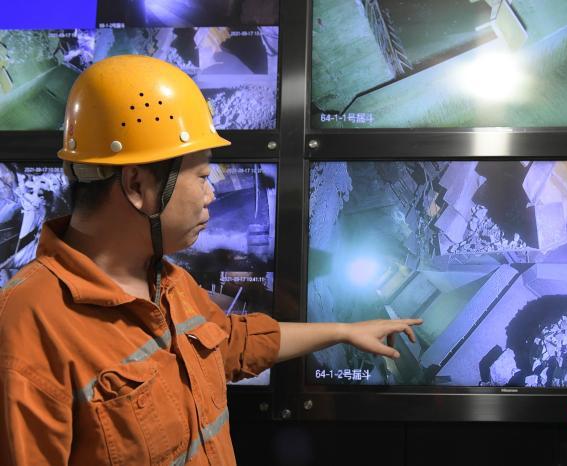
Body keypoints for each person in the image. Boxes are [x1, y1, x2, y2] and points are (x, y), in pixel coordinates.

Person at [0, 55, 421, 466]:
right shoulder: (28, 331)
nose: (211, 194)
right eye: (202, 176)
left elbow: (230, 343)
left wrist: (344, 331)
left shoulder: (171, 285)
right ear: (137, 185)